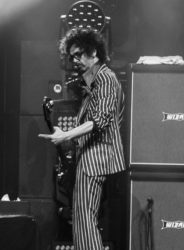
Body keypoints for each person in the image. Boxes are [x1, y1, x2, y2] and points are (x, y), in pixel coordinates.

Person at [38, 27, 126, 250]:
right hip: (90, 157)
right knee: (81, 220)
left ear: (93, 52)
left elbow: (99, 120)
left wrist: (66, 135)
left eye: (78, 55)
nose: (74, 61)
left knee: (85, 221)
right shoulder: (93, 83)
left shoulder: (105, 78)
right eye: (71, 56)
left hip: (96, 159)